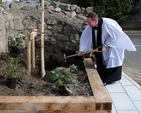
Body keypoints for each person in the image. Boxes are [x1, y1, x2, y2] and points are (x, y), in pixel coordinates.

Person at [78, 12, 136, 85]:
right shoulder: (90, 27)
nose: (88, 24)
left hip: (114, 45)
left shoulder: (108, 24)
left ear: (95, 20)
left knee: (112, 60)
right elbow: (85, 37)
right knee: (102, 61)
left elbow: (115, 36)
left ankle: (110, 79)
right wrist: (82, 49)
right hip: (101, 47)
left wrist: (106, 45)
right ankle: (102, 76)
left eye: (89, 22)